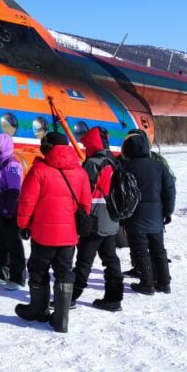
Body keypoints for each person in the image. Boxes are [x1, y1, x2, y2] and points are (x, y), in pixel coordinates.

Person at [15, 131, 91, 333]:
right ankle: (61, 318)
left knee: (38, 270)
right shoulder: (81, 172)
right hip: (69, 236)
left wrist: (23, 224)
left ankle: (37, 310)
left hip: (43, 234)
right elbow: (86, 204)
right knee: (64, 270)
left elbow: (27, 201)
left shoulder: (39, 170)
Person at [72, 126, 124, 311]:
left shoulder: (92, 163)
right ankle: (114, 298)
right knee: (110, 259)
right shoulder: (114, 161)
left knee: (84, 260)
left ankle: (71, 296)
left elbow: (82, 191)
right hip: (111, 219)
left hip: (94, 219)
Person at [120, 130, 176, 295]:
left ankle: (147, 283)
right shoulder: (159, 166)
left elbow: (121, 192)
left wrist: (121, 216)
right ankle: (164, 283)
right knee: (159, 249)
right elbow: (169, 190)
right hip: (156, 215)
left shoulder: (125, 166)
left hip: (135, 215)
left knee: (141, 250)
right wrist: (167, 211)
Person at [0, 132, 26, 290]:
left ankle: (18, 278)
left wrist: (7, 209)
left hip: (8, 211)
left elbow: (14, 190)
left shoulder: (12, 164)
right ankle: (3, 273)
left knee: (13, 244)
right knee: (0, 243)